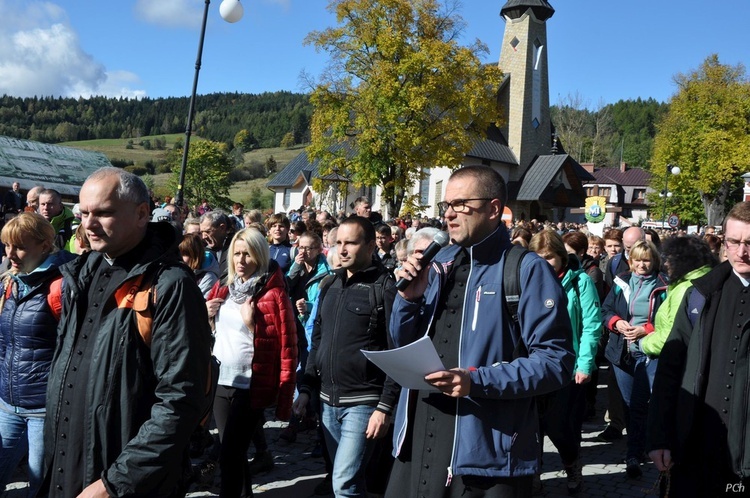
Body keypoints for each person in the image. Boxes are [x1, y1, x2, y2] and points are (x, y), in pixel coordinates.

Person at [387, 166, 575, 497]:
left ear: (492, 209)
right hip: (419, 435)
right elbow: (403, 344)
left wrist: (477, 381)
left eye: (460, 204)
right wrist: (407, 301)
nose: (449, 214)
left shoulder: (527, 270)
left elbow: (555, 362)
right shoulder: (439, 263)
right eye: (446, 205)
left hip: (486, 447)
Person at [41, 167, 213, 497]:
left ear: (141, 213)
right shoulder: (82, 273)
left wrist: (113, 484)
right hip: (67, 472)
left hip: (123, 484)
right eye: (84, 212)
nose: (88, 224)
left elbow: (179, 401)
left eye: (103, 213)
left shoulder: (170, 286)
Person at [648, 202, 750, 497]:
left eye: (749, 242)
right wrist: (659, 436)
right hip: (696, 447)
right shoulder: (699, 295)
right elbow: (670, 368)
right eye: (734, 241)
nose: (742, 251)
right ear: (723, 241)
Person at [293, 216, 398, 497]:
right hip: (327, 403)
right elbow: (318, 341)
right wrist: (306, 388)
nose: (341, 249)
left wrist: (385, 407)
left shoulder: (384, 289)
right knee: (353, 481)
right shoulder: (330, 284)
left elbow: (395, 350)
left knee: (344, 483)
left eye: (350, 243)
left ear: (370, 246)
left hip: (363, 403)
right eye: (338, 242)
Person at [205, 227, 297, 497]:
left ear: (260, 256)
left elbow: (287, 343)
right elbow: (214, 333)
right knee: (232, 450)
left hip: (251, 385)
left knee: (230, 453)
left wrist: (251, 323)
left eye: (247, 254)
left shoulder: (273, 294)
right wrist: (208, 316)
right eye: (237, 254)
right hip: (222, 379)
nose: (241, 261)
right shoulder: (223, 287)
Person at [0, 213, 76, 497]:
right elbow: (3, 341)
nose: (10, 254)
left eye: (19, 246)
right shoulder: (10, 282)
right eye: (7, 246)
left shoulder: (62, 285)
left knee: (41, 486)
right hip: (7, 404)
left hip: (45, 409)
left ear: (45, 246)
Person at [529, 230, 602, 493]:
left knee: (560, 427)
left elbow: (591, 325)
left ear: (561, 256)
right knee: (532, 427)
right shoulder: (529, 280)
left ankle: (572, 465)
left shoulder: (580, 281)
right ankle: (533, 475)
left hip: (567, 369)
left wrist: (584, 364)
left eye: (549, 257)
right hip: (535, 366)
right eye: (538, 257)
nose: (544, 263)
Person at [601, 240, 667, 478]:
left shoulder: (664, 285)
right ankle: (638, 446)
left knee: (639, 404)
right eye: (637, 259)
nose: (641, 264)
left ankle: (633, 454)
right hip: (621, 351)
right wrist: (617, 323)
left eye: (646, 260)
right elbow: (605, 311)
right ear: (630, 261)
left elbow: (668, 321)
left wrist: (645, 329)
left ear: (654, 261)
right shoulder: (621, 282)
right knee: (629, 404)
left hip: (648, 351)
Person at [639, 236, 716, 358]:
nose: (665, 264)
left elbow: (674, 334)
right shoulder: (706, 280)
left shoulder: (685, 289)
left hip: (676, 360)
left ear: (683, 261)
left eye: (670, 259)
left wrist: (644, 343)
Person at [179, 233, 220, 299]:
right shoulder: (183, 272)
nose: (180, 258)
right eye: (178, 254)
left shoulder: (209, 277)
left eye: (184, 254)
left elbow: (194, 301)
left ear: (195, 255)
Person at [200, 210, 233, 284]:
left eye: (208, 232)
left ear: (222, 228)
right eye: (202, 232)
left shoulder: (236, 249)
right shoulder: (203, 250)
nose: (204, 237)